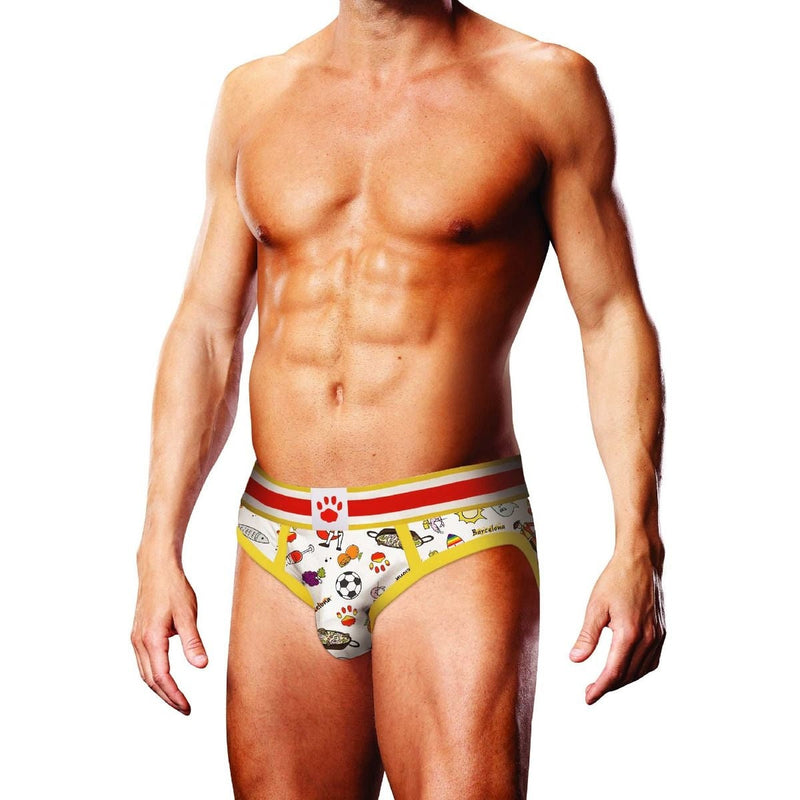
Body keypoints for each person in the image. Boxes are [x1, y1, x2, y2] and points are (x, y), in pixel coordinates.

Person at [131, 1, 666, 797]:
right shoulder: (256, 94)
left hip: (452, 530)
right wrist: (157, 545)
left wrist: (637, 541)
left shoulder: (543, 86)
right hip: (281, 536)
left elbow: (610, 317)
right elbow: (207, 328)